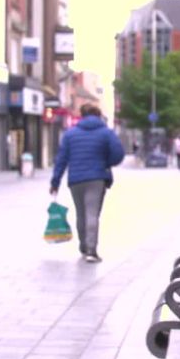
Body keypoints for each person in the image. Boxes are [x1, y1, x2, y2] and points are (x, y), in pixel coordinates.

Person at [50, 104, 125, 263]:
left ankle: (83, 246)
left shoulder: (70, 134)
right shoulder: (106, 133)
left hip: (75, 179)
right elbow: (118, 154)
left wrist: (55, 182)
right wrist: (106, 163)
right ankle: (91, 250)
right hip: (97, 178)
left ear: (82, 115)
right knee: (92, 213)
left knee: (81, 213)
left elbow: (61, 160)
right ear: (98, 115)